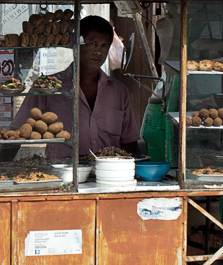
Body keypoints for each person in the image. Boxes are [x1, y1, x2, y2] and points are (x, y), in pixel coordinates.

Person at [10, 15, 140, 161]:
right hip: (65, 173)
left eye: (104, 46)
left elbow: (129, 142)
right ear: (77, 44)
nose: (98, 52)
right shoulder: (46, 88)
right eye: (93, 43)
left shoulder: (119, 92)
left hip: (108, 175)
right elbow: (17, 132)